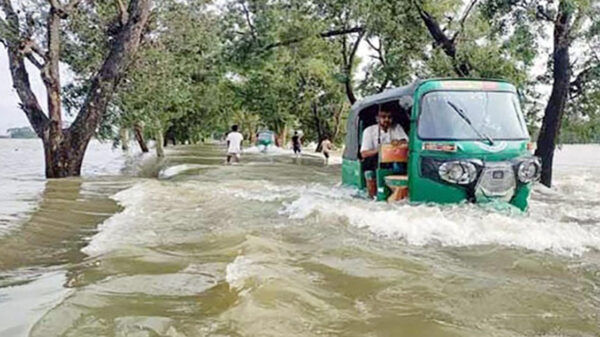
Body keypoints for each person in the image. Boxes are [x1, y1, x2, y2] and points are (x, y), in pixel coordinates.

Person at [360, 107, 408, 198]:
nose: (387, 119)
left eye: (389, 117)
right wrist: (381, 150)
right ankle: (373, 195)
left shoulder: (396, 127)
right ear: (377, 118)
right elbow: (364, 153)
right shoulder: (369, 131)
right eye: (383, 117)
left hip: (395, 161)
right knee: (370, 165)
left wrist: (398, 143)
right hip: (374, 161)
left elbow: (406, 142)